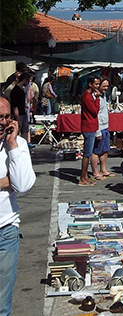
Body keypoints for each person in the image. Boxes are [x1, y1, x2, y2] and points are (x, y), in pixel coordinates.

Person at [0, 97, 36, 316]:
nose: (3, 123)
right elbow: (13, 181)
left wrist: (12, 145)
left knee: (2, 304)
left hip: (6, 230)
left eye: (6, 117)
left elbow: (22, 184)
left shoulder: (18, 144)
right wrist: (6, 181)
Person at [90, 77, 114, 180]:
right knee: (96, 150)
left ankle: (103, 170)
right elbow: (95, 115)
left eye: (107, 86)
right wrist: (97, 131)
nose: (106, 88)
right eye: (104, 86)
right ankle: (95, 172)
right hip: (98, 127)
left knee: (105, 150)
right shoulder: (94, 97)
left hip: (105, 126)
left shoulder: (104, 96)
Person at [79, 75, 100, 186]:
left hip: (90, 126)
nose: (97, 86)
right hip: (88, 127)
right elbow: (94, 111)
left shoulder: (88, 96)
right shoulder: (87, 97)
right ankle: (82, 178)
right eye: (96, 84)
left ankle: (85, 176)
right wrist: (97, 99)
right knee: (87, 154)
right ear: (90, 84)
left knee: (88, 152)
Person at [9, 72, 32, 147]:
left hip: (23, 113)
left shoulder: (21, 89)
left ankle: (25, 145)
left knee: (25, 130)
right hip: (19, 115)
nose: (28, 82)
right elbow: (15, 106)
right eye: (28, 80)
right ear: (24, 80)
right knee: (19, 131)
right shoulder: (16, 91)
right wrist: (18, 118)